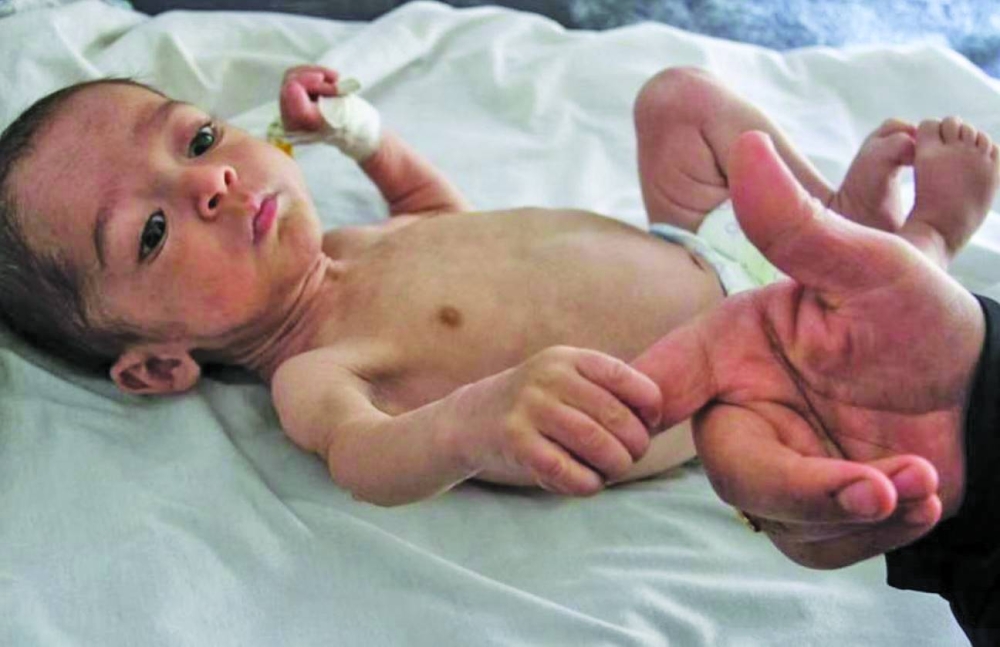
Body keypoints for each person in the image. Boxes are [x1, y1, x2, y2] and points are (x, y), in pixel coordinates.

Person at [0, 64, 993, 508]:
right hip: (750, 373)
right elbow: (367, 458)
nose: (212, 180)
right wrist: (476, 422)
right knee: (850, 354)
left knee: (677, 101)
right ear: (160, 362)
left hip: (688, 247)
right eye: (156, 229)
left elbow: (440, 215)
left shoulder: (347, 241)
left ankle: (831, 223)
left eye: (201, 138)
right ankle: (922, 238)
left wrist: (366, 137)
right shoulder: (314, 368)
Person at [631, 127, 999, 644]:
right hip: (746, 339)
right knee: (677, 98)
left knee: (675, 98)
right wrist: (979, 392)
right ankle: (912, 240)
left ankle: (878, 239)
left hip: (713, 333)